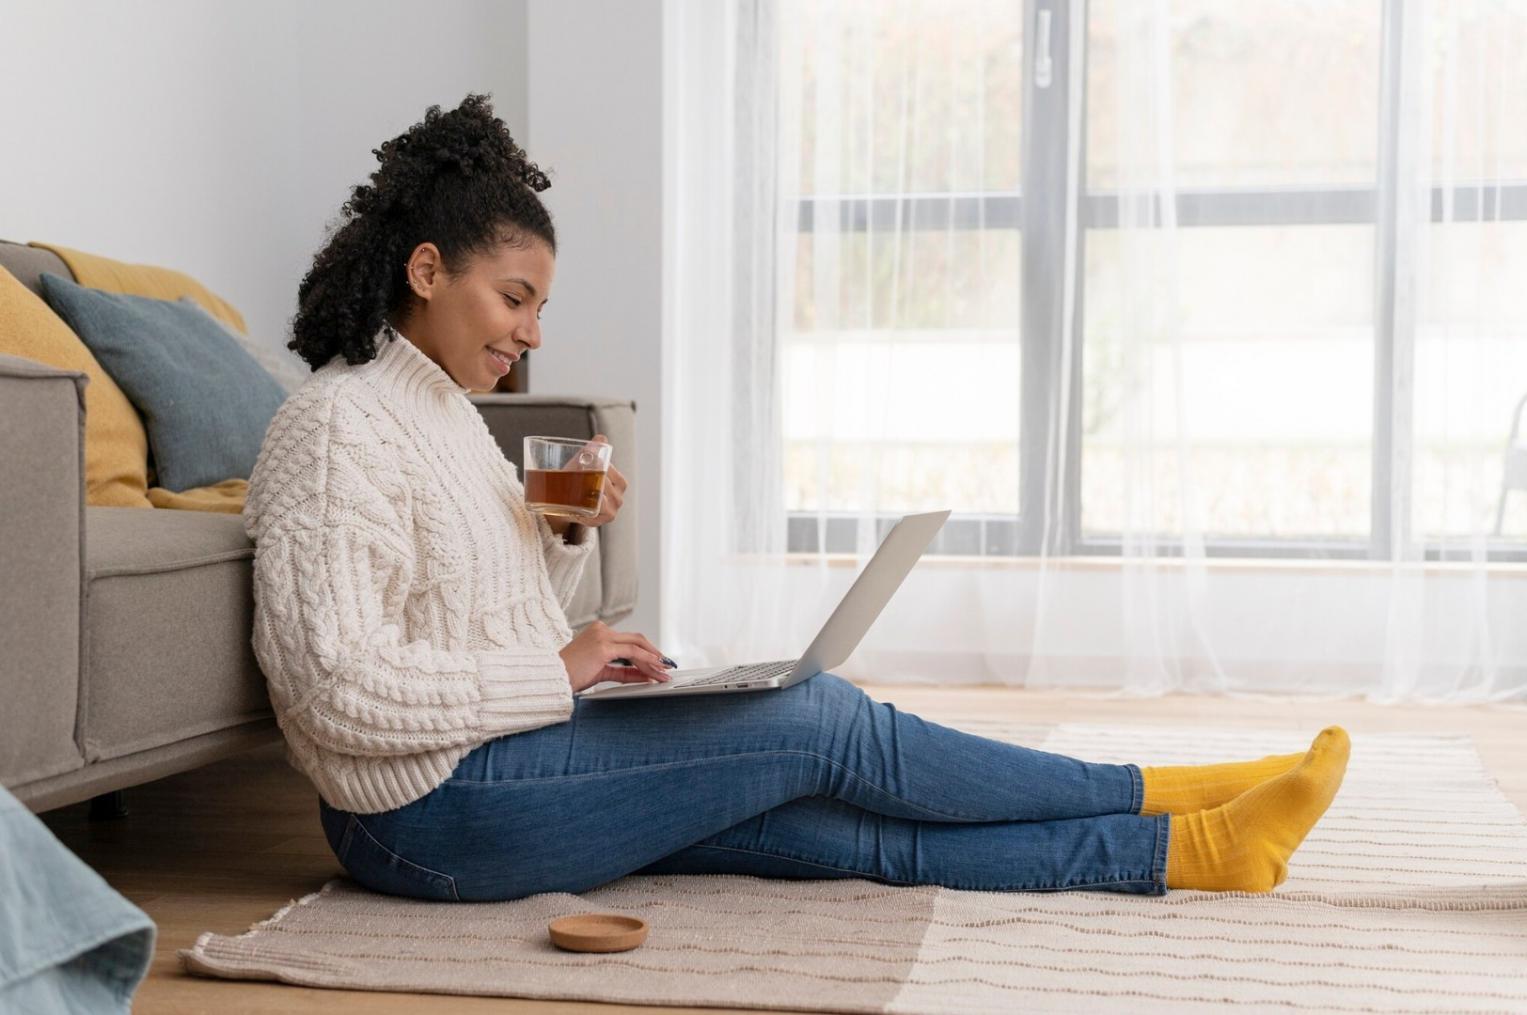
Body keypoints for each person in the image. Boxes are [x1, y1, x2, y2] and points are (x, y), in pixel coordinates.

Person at [245, 93, 1350, 905]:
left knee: (830, 827)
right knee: (818, 718)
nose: (534, 332)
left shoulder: (442, 416)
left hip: (507, 761)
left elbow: (490, 616)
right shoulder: (336, 428)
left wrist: (566, 546)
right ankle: (1164, 785)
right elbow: (337, 690)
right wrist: (560, 667)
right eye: (516, 298)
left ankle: (1194, 848)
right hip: (422, 815)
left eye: (540, 305)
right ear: (428, 271)